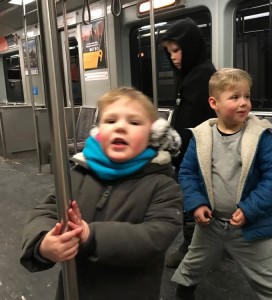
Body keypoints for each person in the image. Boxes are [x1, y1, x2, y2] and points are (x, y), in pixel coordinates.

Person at [20, 86, 183, 300]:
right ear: (98, 132)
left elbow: (154, 237)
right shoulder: (79, 173)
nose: (120, 128)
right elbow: (48, 209)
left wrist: (91, 236)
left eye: (134, 122)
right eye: (110, 121)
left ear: (151, 135)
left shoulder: (163, 185)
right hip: (74, 290)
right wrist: (42, 243)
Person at [171, 68, 272, 300]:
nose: (244, 103)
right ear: (214, 103)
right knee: (193, 263)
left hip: (248, 225)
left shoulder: (261, 136)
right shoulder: (201, 137)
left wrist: (249, 209)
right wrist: (196, 204)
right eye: (235, 97)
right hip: (210, 223)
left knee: (270, 279)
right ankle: (184, 291)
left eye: (247, 96)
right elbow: (187, 173)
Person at [161, 17, 217, 267]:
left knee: (192, 198)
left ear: (190, 46)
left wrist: (177, 150)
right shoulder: (190, 75)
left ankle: (192, 247)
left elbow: (197, 121)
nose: (172, 57)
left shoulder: (203, 75)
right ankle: (195, 244)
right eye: (169, 51)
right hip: (190, 150)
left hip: (199, 152)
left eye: (177, 50)